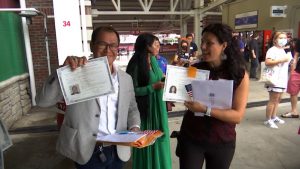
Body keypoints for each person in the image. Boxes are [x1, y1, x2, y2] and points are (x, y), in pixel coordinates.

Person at [36, 26, 141, 169]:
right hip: (86, 149)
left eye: (113, 45)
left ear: (118, 48)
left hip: (118, 150)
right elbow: (42, 101)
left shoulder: (125, 78)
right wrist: (61, 72)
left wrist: (134, 127)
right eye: (102, 44)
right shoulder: (75, 73)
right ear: (92, 46)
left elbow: (132, 108)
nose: (108, 50)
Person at [176, 23, 249, 169]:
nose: (203, 47)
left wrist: (205, 109)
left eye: (209, 43)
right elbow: (182, 89)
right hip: (192, 136)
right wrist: (175, 80)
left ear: (224, 45)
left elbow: (237, 116)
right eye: (203, 42)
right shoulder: (195, 69)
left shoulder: (238, 74)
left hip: (222, 139)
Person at [126, 33, 172, 169]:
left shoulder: (153, 60)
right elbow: (133, 91)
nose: (159, 47)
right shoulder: (135, 65)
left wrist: (170, 77)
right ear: (147, 46)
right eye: (156, 44)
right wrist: (152, 88)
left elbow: (159, 78)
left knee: (160, 137)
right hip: (146, 109)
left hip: (158, 106)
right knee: (148, 140)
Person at [264, 32, 293, 128]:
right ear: (275, 40)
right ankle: (268, 119)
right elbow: (268, 62)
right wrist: (282, 60)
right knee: (273, 100)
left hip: (282, 79)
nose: (283, 39)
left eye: (285, 38)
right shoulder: (272, 50)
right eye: (280, 38)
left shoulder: (283, 50)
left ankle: (273, 116)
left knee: (278, 99)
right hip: (274, 79)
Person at [281, 38, 300, 118]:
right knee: (293, 92)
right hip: (298, 71)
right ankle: (294, 111)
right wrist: (292, 71)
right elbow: (296, 55)